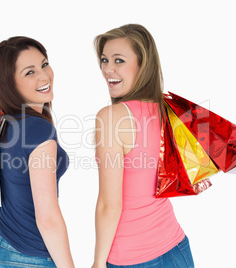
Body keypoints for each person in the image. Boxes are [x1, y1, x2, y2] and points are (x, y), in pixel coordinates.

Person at [91, 24, 195, 268]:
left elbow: (110, 204)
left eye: (119, 60)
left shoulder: (111, 117)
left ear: (143, 65)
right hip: (177, 248)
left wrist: (97, 263)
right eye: (105, 60)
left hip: (133, 259)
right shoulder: (166, 109)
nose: (108, 69)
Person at [0, 36, 75, 268]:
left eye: (44, 64)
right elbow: (48, 219)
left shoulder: (4, 121)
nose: (44, 76)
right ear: (10, 83)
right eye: (29, 72)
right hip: (28, 257)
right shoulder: (38, 129)